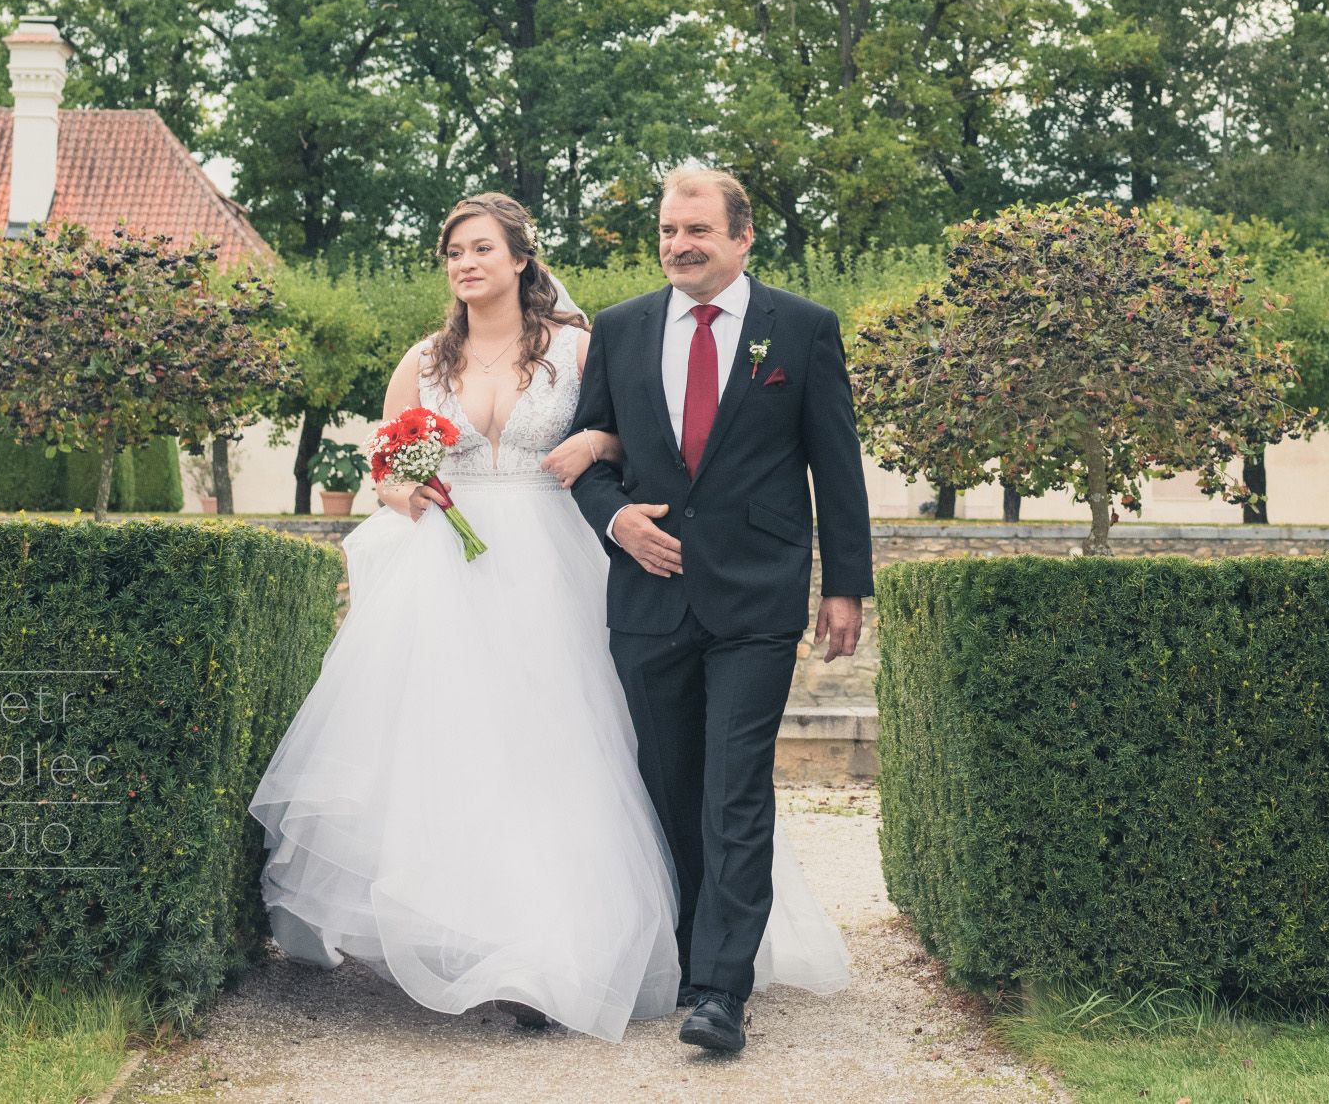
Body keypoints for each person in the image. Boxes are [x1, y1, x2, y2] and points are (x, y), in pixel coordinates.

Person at [247, 190, 849, 1045]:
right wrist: (401, 490)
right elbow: (386, 462)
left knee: (568, 755)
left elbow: (634, 433)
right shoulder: (424, 360)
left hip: (557, 568)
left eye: (481, 248)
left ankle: (578, 955)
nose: (466, 263)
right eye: (454, 251)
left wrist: (595, 445)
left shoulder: (580, 345)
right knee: (459, 759)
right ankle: (479, 946)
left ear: (521, 258)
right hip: (448, 581)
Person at [569, 167, 874, 1054]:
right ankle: (686, 951)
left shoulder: (802, 329)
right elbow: (588, 459)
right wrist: (617, 520)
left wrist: (844, 584)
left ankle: (721, 991)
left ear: (742, 238)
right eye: (669, 230)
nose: (679, 245)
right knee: (669, 789)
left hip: (756, 597)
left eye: (697, 230)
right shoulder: (620, 329)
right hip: (648, 598)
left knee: (734, 787)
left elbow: (836, 463)